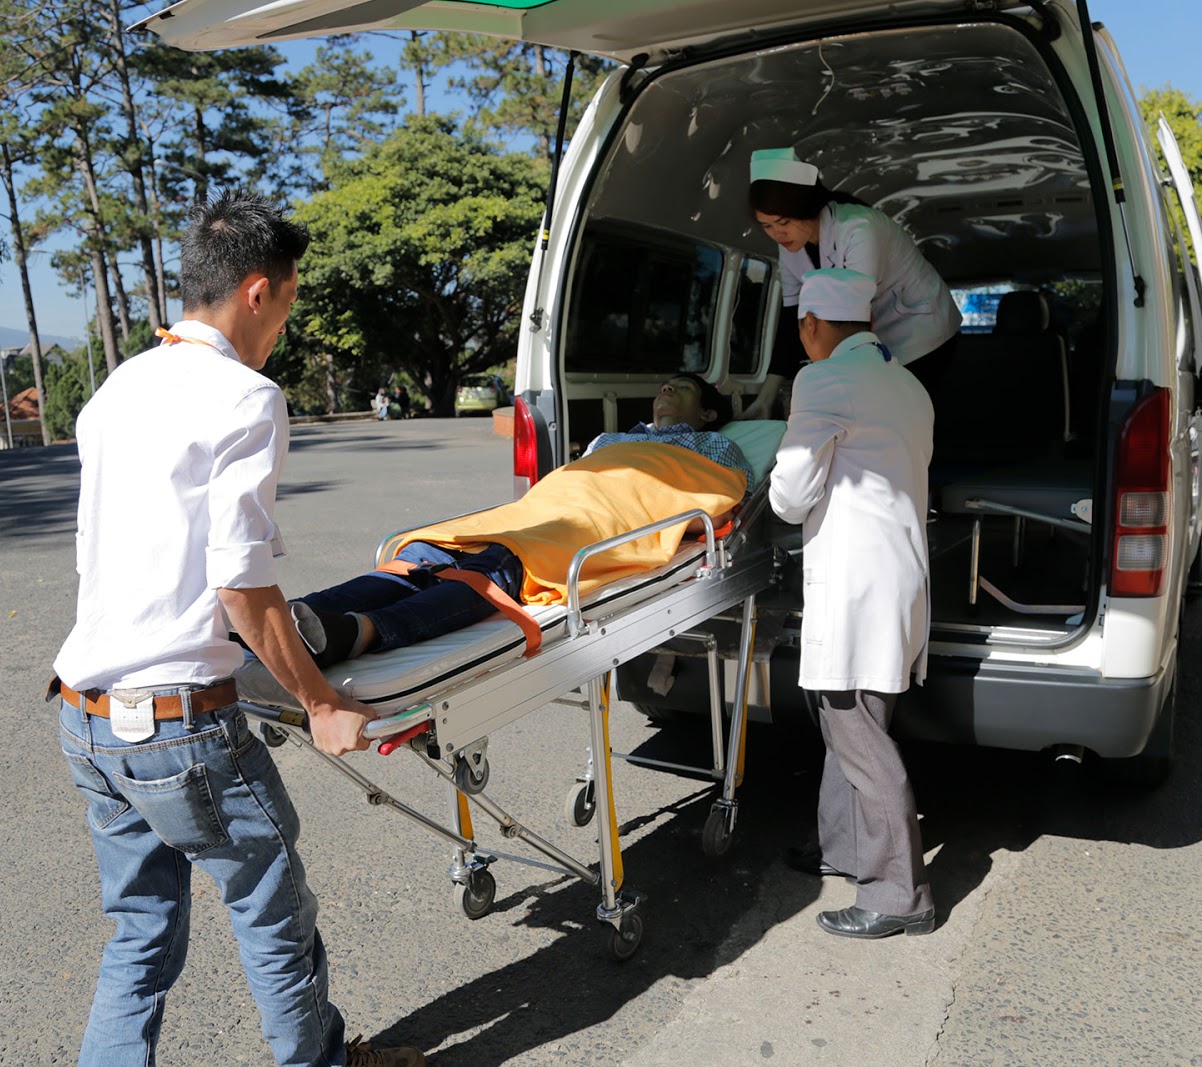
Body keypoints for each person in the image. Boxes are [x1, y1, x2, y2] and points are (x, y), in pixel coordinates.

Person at [50, 191, 425, 1067]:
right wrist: (320, 700)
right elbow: (241, 584)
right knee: (273, 910)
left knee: (140, 933)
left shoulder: (114, 390)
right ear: (258, 291)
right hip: (178, 728)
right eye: (287, 304)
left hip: (86, 715)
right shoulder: (245, 397)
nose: (283, 329)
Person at [290, 373, 752, 668]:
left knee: (501, 564)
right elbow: (568, 480)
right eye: (664, 385)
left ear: (708, 413)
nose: (666, 389)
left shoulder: (712, 446)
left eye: (682, 387)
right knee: (431, 550)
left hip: (604, 517)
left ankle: (359, 632)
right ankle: (290, 616)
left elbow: (720, 501)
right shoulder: (608, 440)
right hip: (549, 505)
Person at [769, 268, 936, 940]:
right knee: (850, 723)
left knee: (858, 735)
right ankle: (842, 850)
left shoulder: (822, 380)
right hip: (899, 578)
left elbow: (790, 495)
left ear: (811, 324)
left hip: (857, 585)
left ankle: (899, 894)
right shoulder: (907, 383)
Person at [742, 146, 961, 420]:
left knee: (902, 419)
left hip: (921, 329)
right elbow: (791, 321)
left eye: (783, 222)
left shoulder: (859, 228)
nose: (777, 234)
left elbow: (852, 318)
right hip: (876, 336)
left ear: (804, 207)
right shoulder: (790, 247)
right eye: (766, 226)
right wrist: (765, 399)